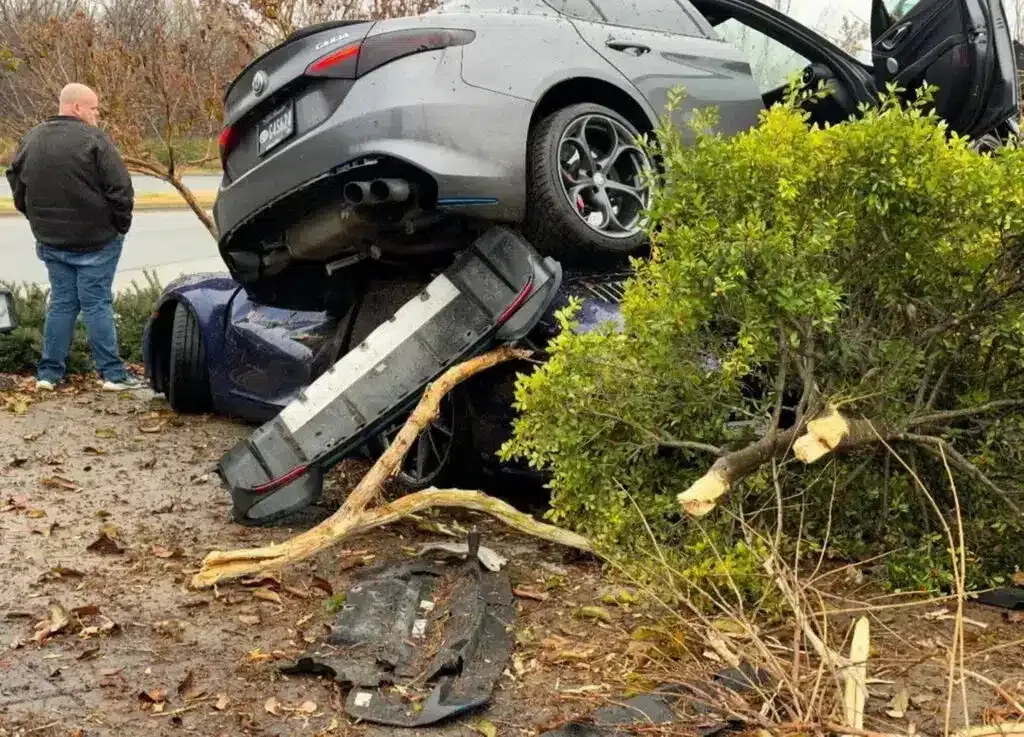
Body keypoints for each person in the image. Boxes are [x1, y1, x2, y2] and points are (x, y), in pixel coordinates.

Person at [5, 82, 145, 392]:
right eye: (94, 109)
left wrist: (35, 218)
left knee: (62, 304)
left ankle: (48, 375)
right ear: (77, 107)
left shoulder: (31, 139)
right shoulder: (96, 140)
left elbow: (16, 181)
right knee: (96, 304)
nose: (97, 115)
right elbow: (120, 189)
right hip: (97, 240)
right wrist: (120, 226)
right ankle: (112, 375)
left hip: (52, 240)